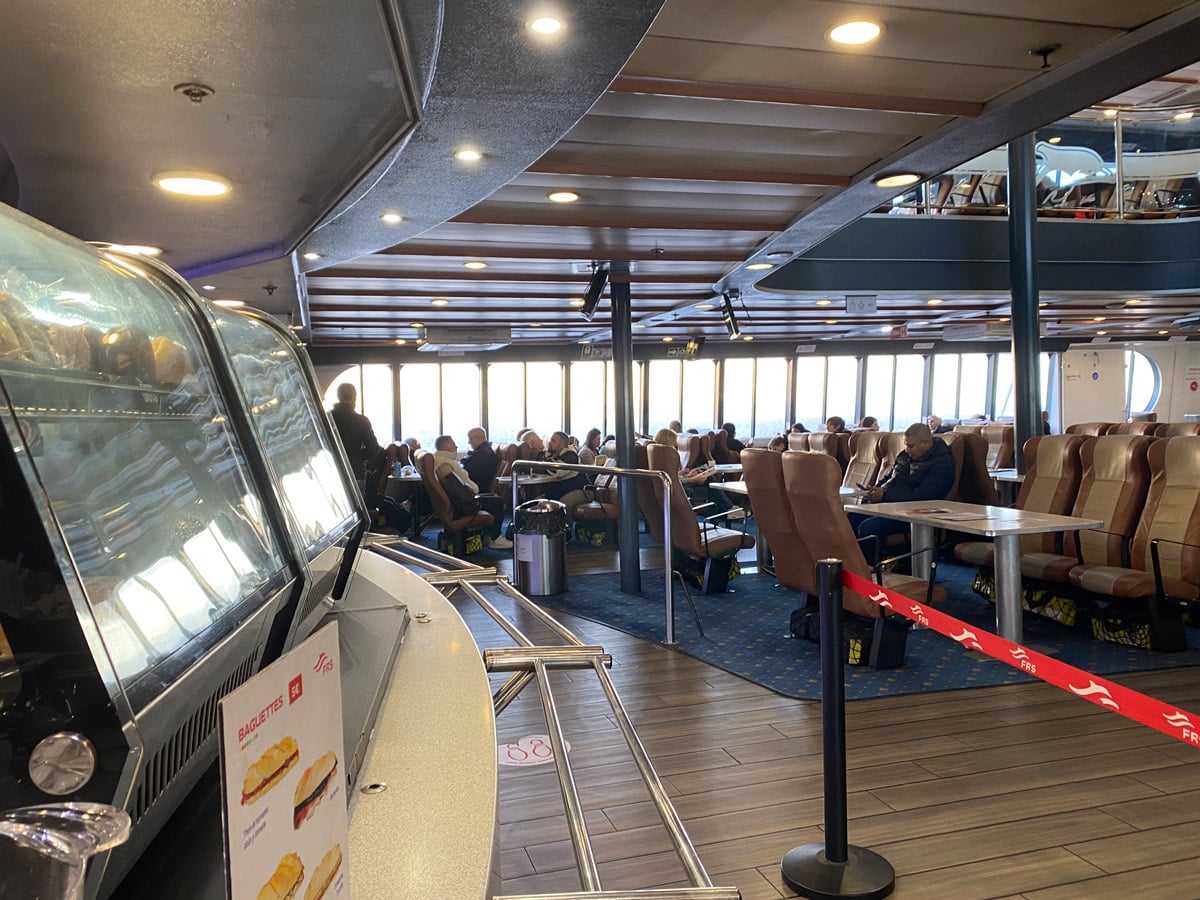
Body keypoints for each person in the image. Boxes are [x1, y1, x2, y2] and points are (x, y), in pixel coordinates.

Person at [850, 423, 955, 551]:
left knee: (869, 527)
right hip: (891, 505)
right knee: (852, 518)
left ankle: (870, 567)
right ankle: (856, 563)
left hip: (914, 513)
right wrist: (876, 490)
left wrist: (885, 495)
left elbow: (923, 498)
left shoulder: (943, 464)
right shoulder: (905, 456)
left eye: (911, 446)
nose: (907, 450)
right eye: (906, 445)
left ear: (926, 442)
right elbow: (889, 478)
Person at [434, 435, 509, 548]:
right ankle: (494, 538)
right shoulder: (447, 463)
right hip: (464, 504)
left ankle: (488, 536)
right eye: (454, 444)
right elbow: (469, 487)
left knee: (491, 498)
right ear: (448, 446)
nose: (456, 446)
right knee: (497, 501)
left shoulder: (438, 461)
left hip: (454, 502)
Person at [330, 383, 380, 485]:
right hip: (356, 471)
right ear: (353, 397)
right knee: (356, 501)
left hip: (332, 470)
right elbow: (374, 448)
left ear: (338, 396)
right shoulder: (362, 420)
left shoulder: (327, 418)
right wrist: (357, 456)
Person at [543, 430, 590, 528]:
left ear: (562, 444)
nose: (549, 443)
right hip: (563, 489)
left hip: (583, 490)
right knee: (538, 502)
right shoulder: (553, 456)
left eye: (553, 441)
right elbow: (538, 469)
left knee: (564, 503)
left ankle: (563, 533)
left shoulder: (570, 456)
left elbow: (556, 471)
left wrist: (545, 462)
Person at [462, 427, 498, 492]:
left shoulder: (484, 455)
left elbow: (470, 474)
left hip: (475, 490)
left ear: (478, 438)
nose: (469, 442)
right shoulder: (481, 452)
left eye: (470, 439)